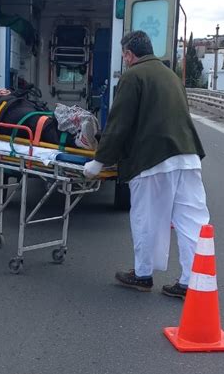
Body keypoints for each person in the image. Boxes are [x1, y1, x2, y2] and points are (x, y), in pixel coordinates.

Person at [83, 30, 209, 298]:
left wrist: (99, 161)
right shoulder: (171, 76)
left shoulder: (133, 77)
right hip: (187, 156)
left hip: (152, 159)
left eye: (125, 55)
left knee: (146, 218)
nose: (125, 60)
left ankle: (142, 275)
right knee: (192, 223)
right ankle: (193, 281)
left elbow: (119, 125)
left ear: (129, 54)